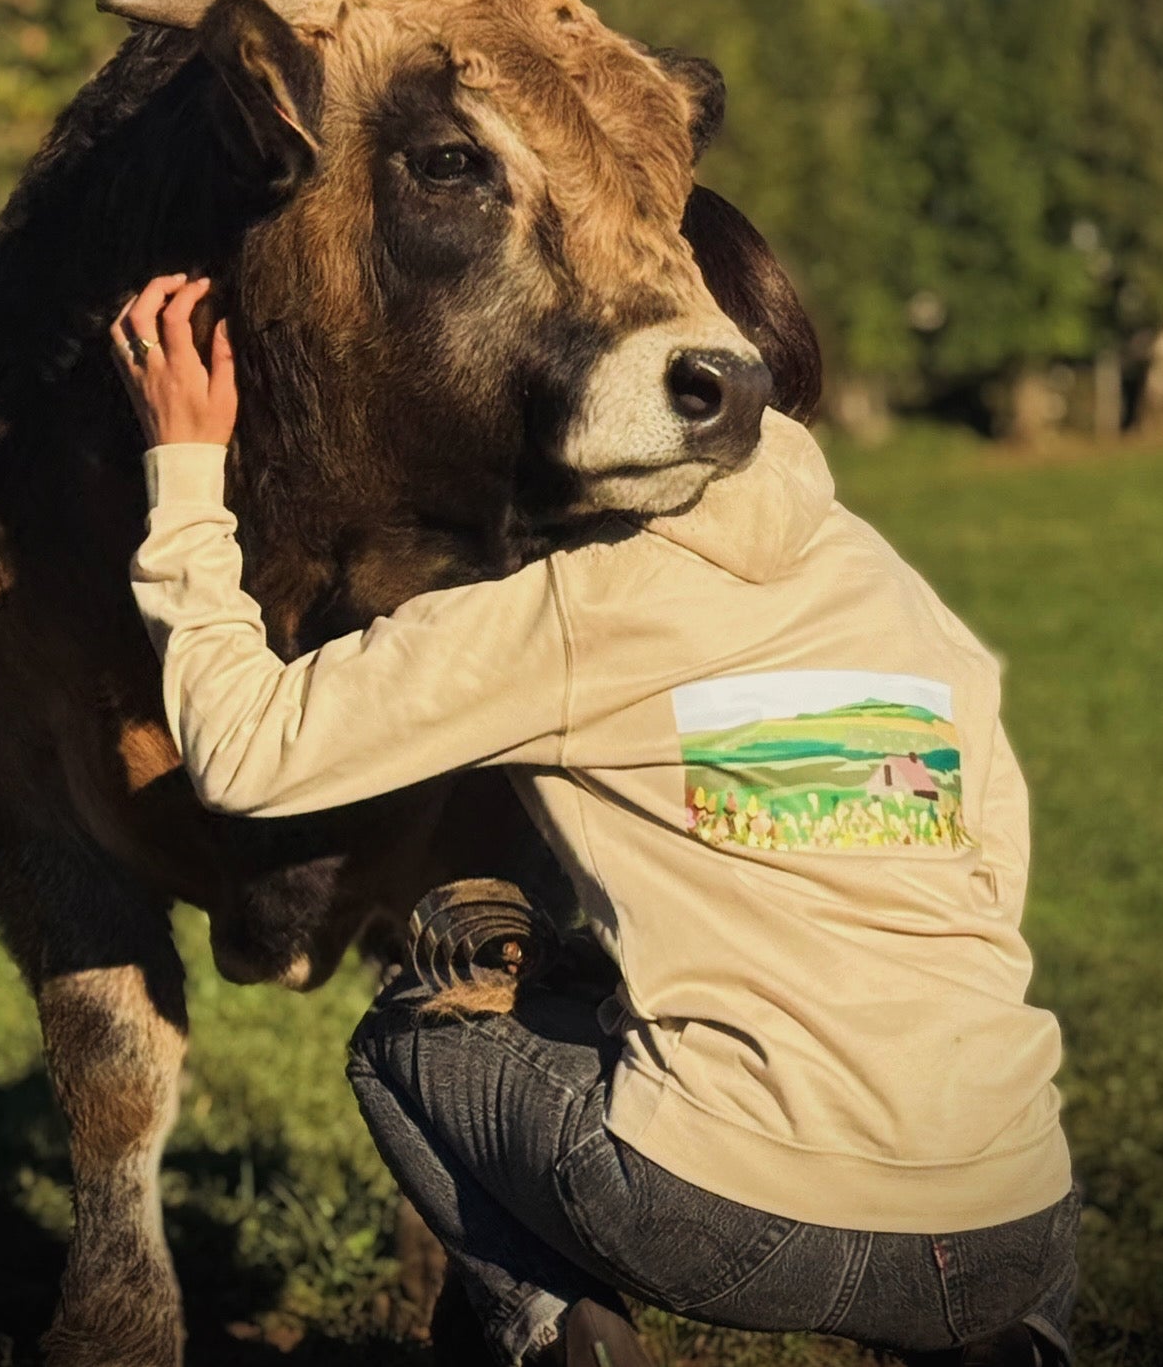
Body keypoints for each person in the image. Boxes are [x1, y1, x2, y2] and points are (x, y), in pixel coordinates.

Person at [111, 274, 1079, 1367]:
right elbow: (989, 885)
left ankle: (569, 1334)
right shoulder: (902, 595)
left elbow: (246, 747)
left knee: (408, 1031)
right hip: (1020, 1212)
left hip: (743, 1221)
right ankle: (995, 1334)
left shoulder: (589, 604)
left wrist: (188, 474)